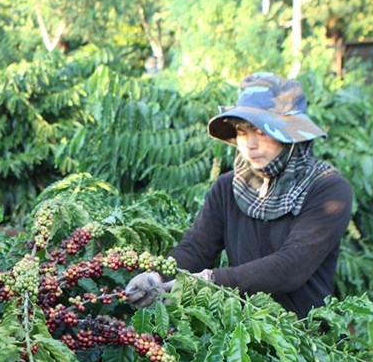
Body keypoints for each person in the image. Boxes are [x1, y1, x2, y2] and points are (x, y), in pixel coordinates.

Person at [125, 72, 353, 318]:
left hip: (307, 336)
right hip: (245, 330)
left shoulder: (327, 189)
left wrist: (210, 280)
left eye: (261, 131)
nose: (249, 144)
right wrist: (157, 275)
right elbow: (196, 248)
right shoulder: (228, 187)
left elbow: (292, 265)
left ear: (290, 136)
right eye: (242, 132)